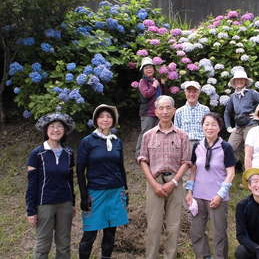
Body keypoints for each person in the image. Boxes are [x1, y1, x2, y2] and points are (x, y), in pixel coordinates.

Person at [137, 95, 191, 259]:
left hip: (175, 183)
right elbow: (143, 161)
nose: (165, 111)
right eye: (161, 108)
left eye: (168, 108)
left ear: (174, 111)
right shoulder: (148, 135)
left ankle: (170, 256)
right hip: (155, 182)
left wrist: (174, 182)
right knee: (153, 226)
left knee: (173, 226)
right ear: (156, 111)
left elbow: (186, 162)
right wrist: (154, 184)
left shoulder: (182, 135)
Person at [77, 104, 128, 259]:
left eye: (109, 116)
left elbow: (121, 167)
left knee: (110, 233)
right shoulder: (87, 141)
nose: (105, 119)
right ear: (96, 120)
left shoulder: (117, 141)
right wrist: (84, 195)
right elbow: (80, 170)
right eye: (101, 116)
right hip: (96, 193)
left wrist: (125, 190)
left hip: (115, 192)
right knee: (89, 234)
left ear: (113, 120)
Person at [185, 112, 236, 259]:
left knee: (219, 233)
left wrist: (220, 195)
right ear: (202, 127)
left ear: (219, 127)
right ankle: (204, 256)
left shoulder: (225, 147)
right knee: (196, 232)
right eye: (206, 124)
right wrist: (189, 191)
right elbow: (193, 169)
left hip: (217, 197)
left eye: (214, 124)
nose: (210, 127)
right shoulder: (197, 146)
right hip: (198, 196)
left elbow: (231, 173)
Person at [25, 112, 76, 259]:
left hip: (65, 204)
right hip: (44, 204)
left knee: (64, 245)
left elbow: (70, 181)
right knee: (43, 246)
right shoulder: (37, 154)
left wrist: (72, 203)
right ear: (46, 130)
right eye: (52, 126)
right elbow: (32, 185)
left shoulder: (68, 153)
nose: (56, 129)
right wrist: (31, 211)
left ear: (65, 130)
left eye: (59, 126)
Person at [223, 69, 259, 169]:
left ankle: (251, 174)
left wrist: (258, 115)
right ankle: (237, 163)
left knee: (250, 149)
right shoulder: (233, 96)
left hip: (251, 125)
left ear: (245, 81)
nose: (239, 81)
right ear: (234, 82)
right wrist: (229, 127)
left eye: (242, 79)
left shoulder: (251, 93)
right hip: (238, 126)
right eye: (237, 80)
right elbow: (226, 112)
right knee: (228, 147)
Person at [135, 57, 166, 155]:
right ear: (143, 71)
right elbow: (146, 94)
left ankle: (153, 154)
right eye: (146, 68)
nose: (149, 69)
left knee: (158, 134)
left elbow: (163, 95)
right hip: (148, 112)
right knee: (145, 133)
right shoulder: (142, 82)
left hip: (159, 112)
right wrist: (154, 86)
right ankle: (139, 154)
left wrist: (162, 84)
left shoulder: (156, 80)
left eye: (150, 67)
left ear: (154, 69)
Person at [174, 80, 210, 153]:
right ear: (185, 93)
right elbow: (176, 132)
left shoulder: (205, 110)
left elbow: (209, 129)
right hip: (185, 145)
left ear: (199, 93)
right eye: (189, 91)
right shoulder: (179, 111)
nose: (191, 94)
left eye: (194, 91)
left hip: (202, 144)